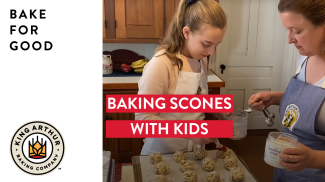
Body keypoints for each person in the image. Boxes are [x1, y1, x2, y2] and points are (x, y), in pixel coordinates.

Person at [135, 0, 228, 155]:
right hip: (161, 154)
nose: (212, 52)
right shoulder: (161, 64)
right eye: (207, 44)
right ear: (187, 32)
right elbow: (143, 118)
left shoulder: (201, 59)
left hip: (194, 154)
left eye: (217, 44)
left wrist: (216, 109)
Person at [248, 0, 325, 181]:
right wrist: (275, 98)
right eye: (287, 30)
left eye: (297, 31)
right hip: (284, 171)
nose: (289, 39)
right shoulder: (306, 58)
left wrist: (313, 158)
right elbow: (310, 102)